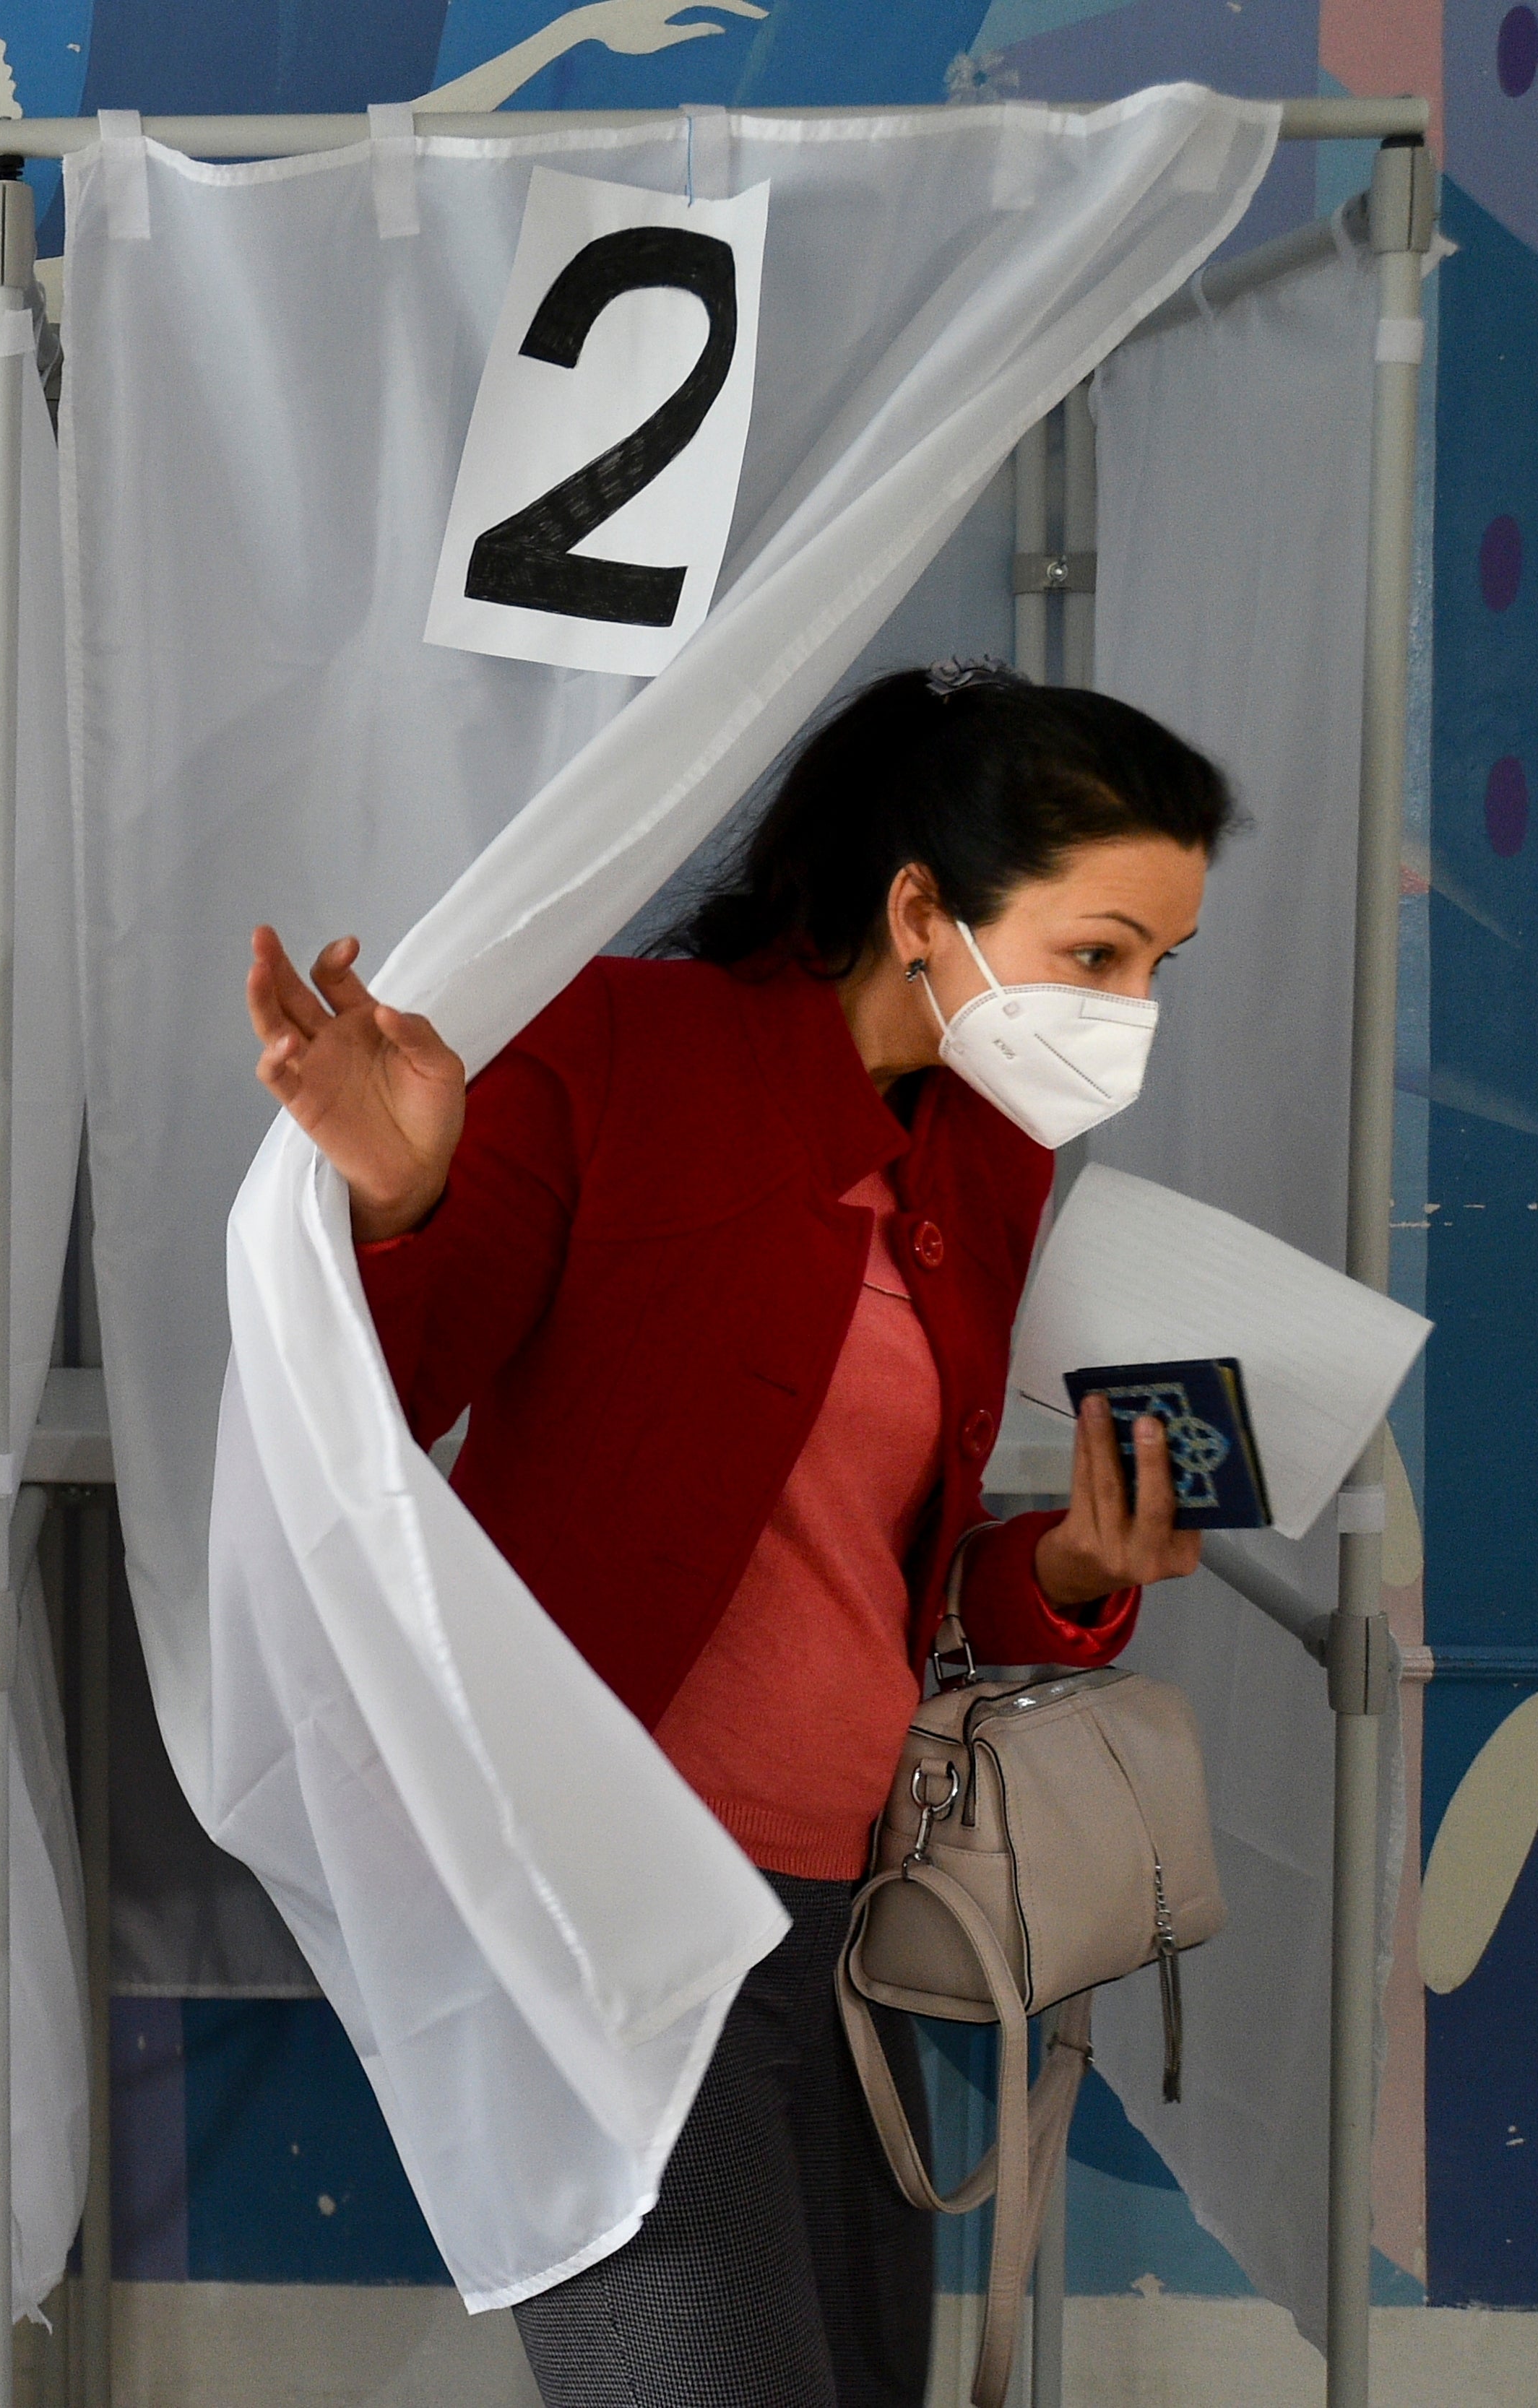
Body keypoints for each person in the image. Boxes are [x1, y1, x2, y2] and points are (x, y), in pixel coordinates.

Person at [243, 662, 1231, 2408]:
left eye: (1160, 963)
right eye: (1099, 952)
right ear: (919, 906)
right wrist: (394, 1198)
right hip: (609, 1893)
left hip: (841, 1913)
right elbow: (373, 1416)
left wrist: (1070, 1575)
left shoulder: (986, 1156)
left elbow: (881, 1581)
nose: (1133, 1005)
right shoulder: (625, 1042)